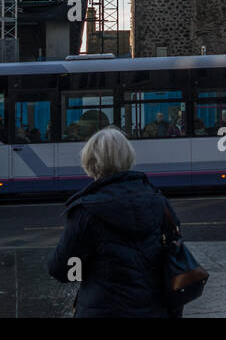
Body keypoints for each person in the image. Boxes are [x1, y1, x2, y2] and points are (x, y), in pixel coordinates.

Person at [47, 127, 180, 318]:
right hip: (154, 308)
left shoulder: (86, 210)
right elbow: (174, 250)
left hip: (102, 308)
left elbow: (61, 269)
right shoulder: (159, 202)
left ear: (91, 162)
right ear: (128, 158)